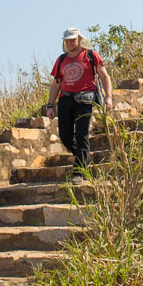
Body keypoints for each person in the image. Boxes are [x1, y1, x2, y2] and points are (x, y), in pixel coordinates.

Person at [45, 27, 113, 182]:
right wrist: (50, 105)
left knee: (82, 134)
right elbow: (56, 84)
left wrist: (108, 97)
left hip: (85, 99)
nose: (70, 43)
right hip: (65, 99)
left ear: (79, 39)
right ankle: (84, 157)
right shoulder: (61, 60)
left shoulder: (91, 55)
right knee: (65, 136)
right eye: (67, 40)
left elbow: (104, 76)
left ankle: (78, 172)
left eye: (73, 40)